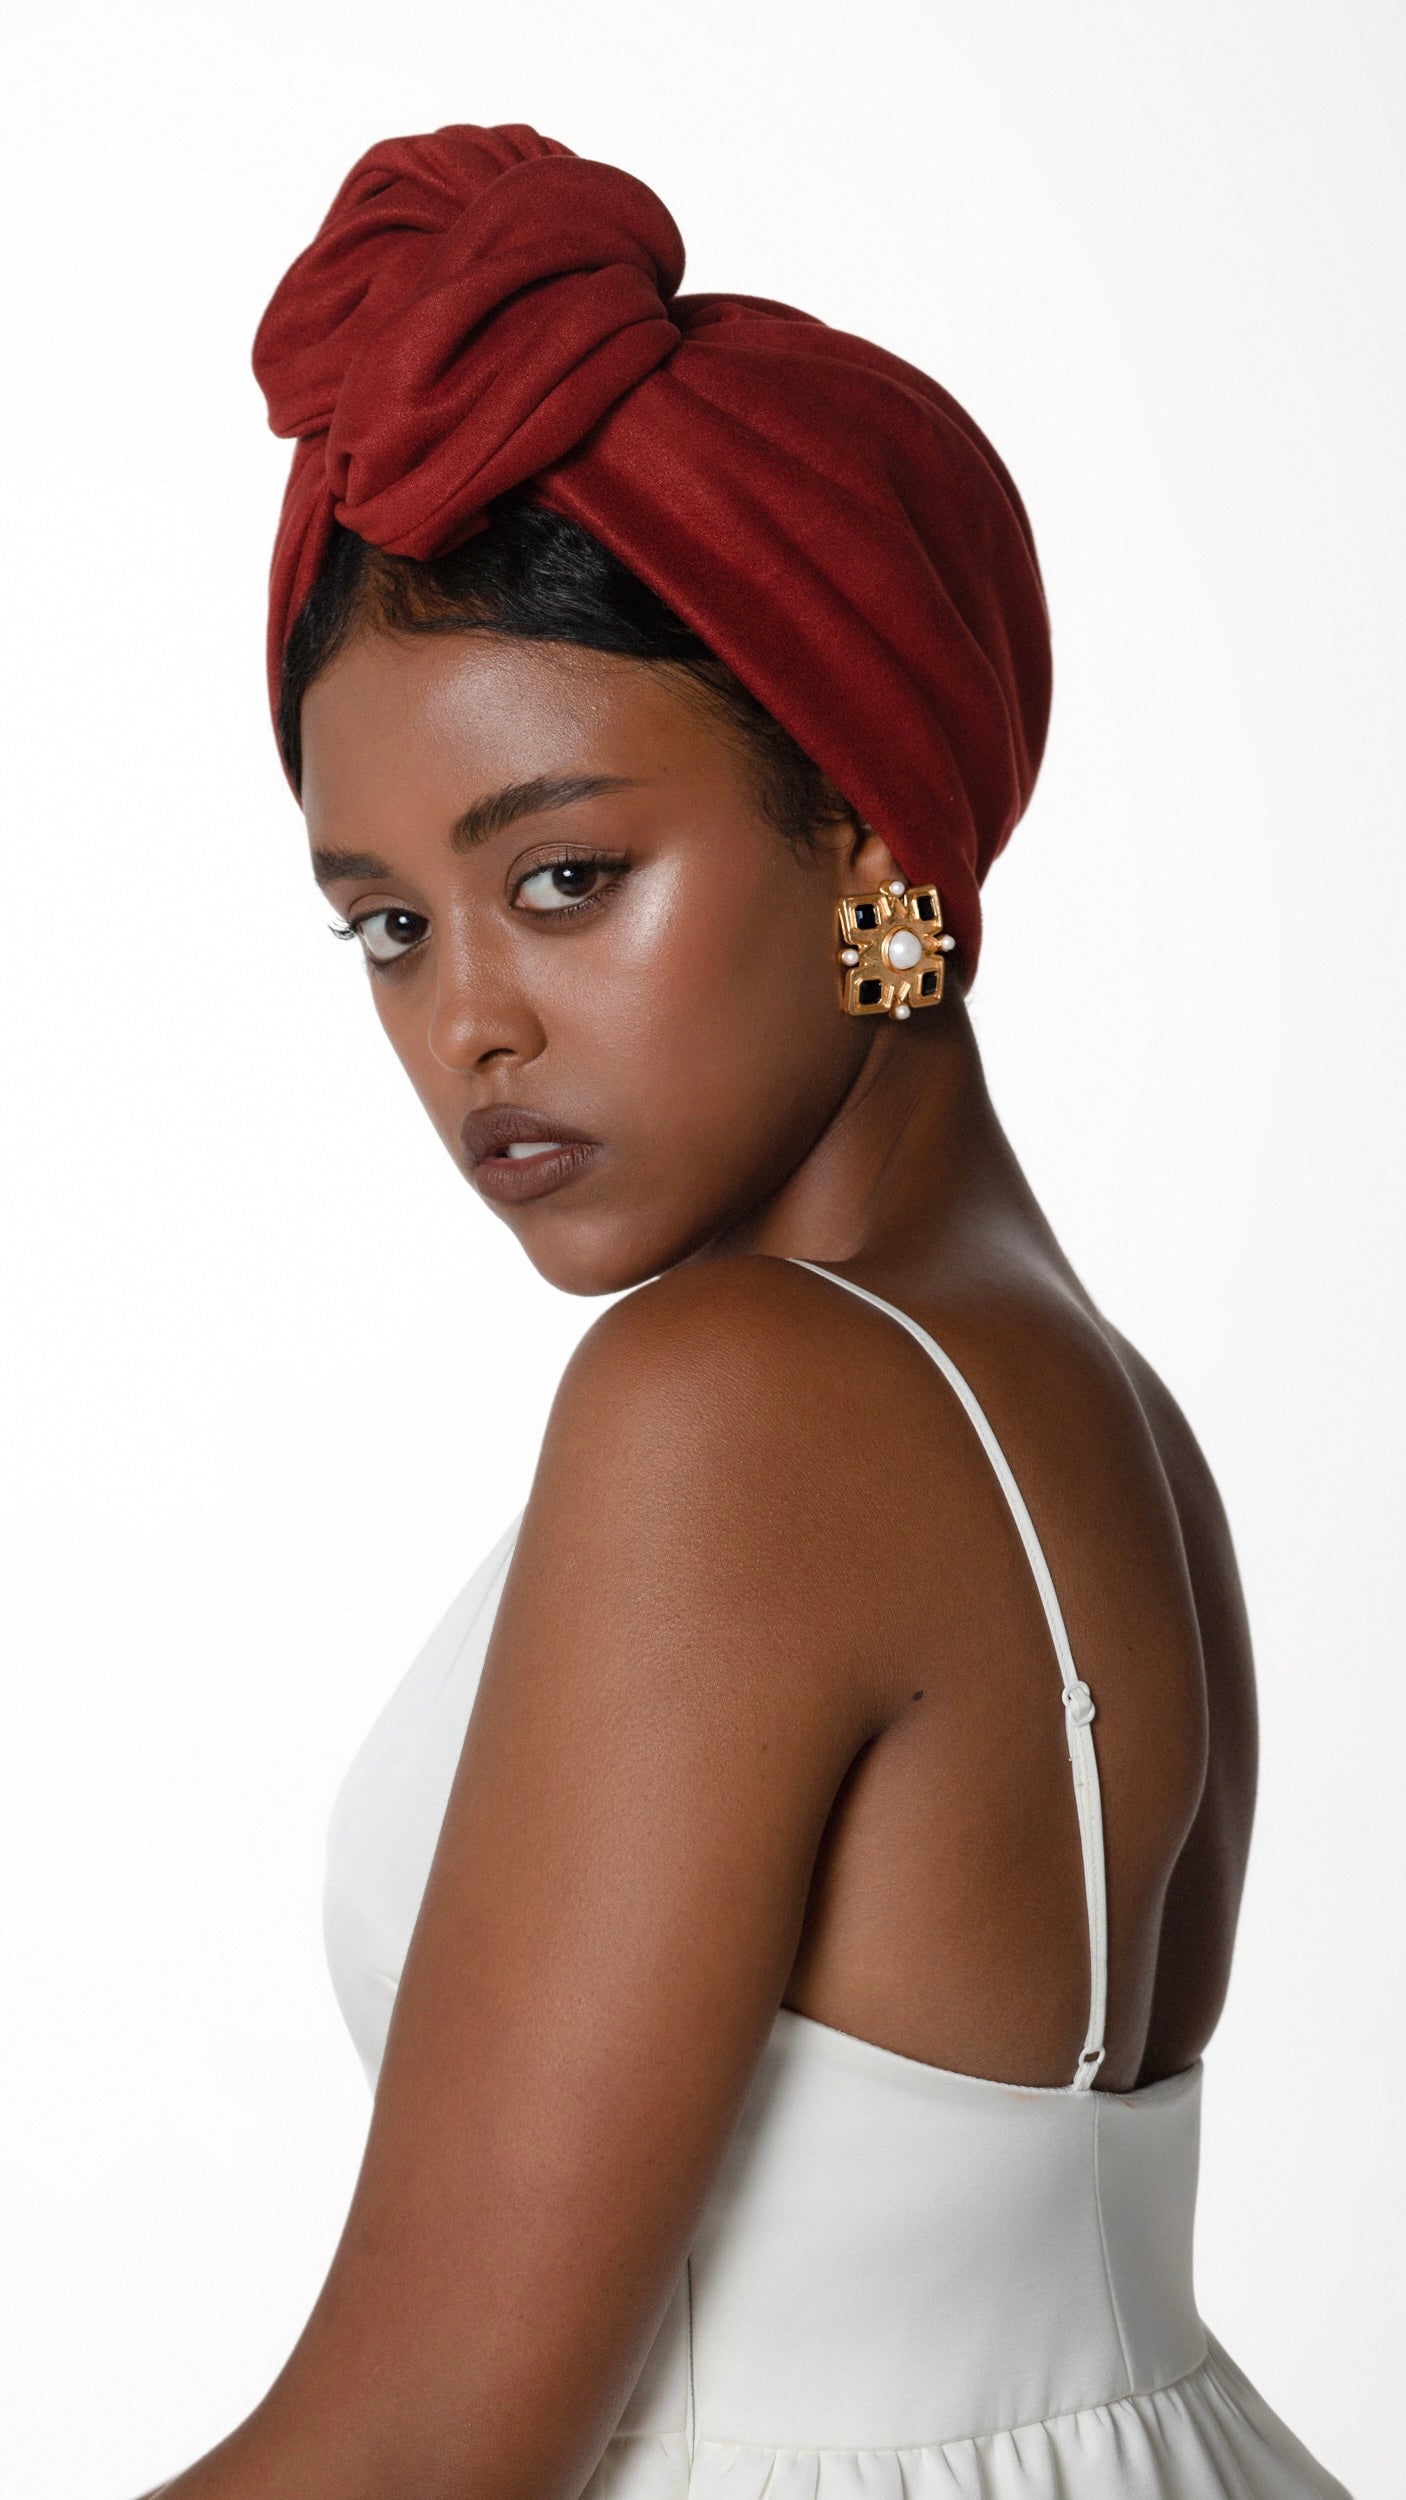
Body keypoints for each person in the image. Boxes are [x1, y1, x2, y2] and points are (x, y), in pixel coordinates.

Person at [133, 121, 1350, 2500]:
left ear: (873, 825)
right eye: (386, 923)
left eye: (564, 874)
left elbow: (418, 2445)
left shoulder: (740, 1397)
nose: (467, 1021)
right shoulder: (1074, 1389)